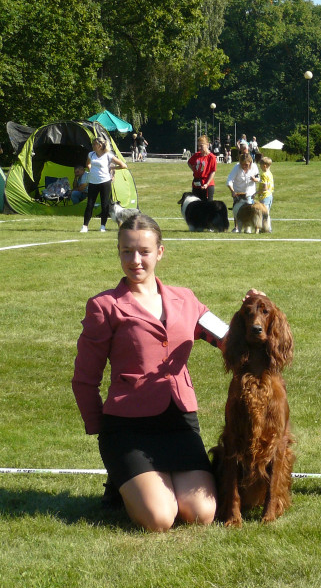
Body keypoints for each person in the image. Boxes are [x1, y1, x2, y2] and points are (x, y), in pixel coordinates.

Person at [72, 213, 259, 532]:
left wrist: (251, 312)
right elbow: (84, 379)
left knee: (201, 513)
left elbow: (230, 344)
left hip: (178, 423)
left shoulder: (186, 300)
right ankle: (120, 480)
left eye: (143, 251)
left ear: (160, 251)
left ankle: (143, 484)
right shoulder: (104, 306)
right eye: (126, 251)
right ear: (118, 252)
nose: (135, 260)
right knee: (160, 518)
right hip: (127, 429)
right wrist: (99, 427)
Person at [81, 135, 127, 233]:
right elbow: (88, 164)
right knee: (89, 204)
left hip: (105, 182)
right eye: (93, 144)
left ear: (101, 145)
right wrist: (90, 168)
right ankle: (85, 226)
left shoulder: (108, 155)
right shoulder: (91, 154)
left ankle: (102, 226)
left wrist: (112, 168)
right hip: (93, 182)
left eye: (95, 144)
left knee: (104, 204)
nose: (93, 146)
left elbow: (123, 165)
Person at [188, 135, 217, 201]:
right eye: (199, 146)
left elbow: (213, 172)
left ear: (207, 145)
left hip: (206, 184)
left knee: (207, 206)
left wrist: (207, 184)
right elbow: (189, 163)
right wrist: (194, 170)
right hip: (196, 183)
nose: (200, 148)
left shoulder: (211, 157)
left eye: (201, 145)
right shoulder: (197, 155)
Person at [256, 156, 275, 232]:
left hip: (265, 196)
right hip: (270, 195)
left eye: (260, 165)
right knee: (267, 213)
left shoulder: (264, 174)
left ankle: (267, 228)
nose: (260, 167)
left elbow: (265, 188)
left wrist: (256, 192)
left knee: (264, 213)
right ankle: (265, 228)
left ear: (264, 165)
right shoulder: (270, 174)